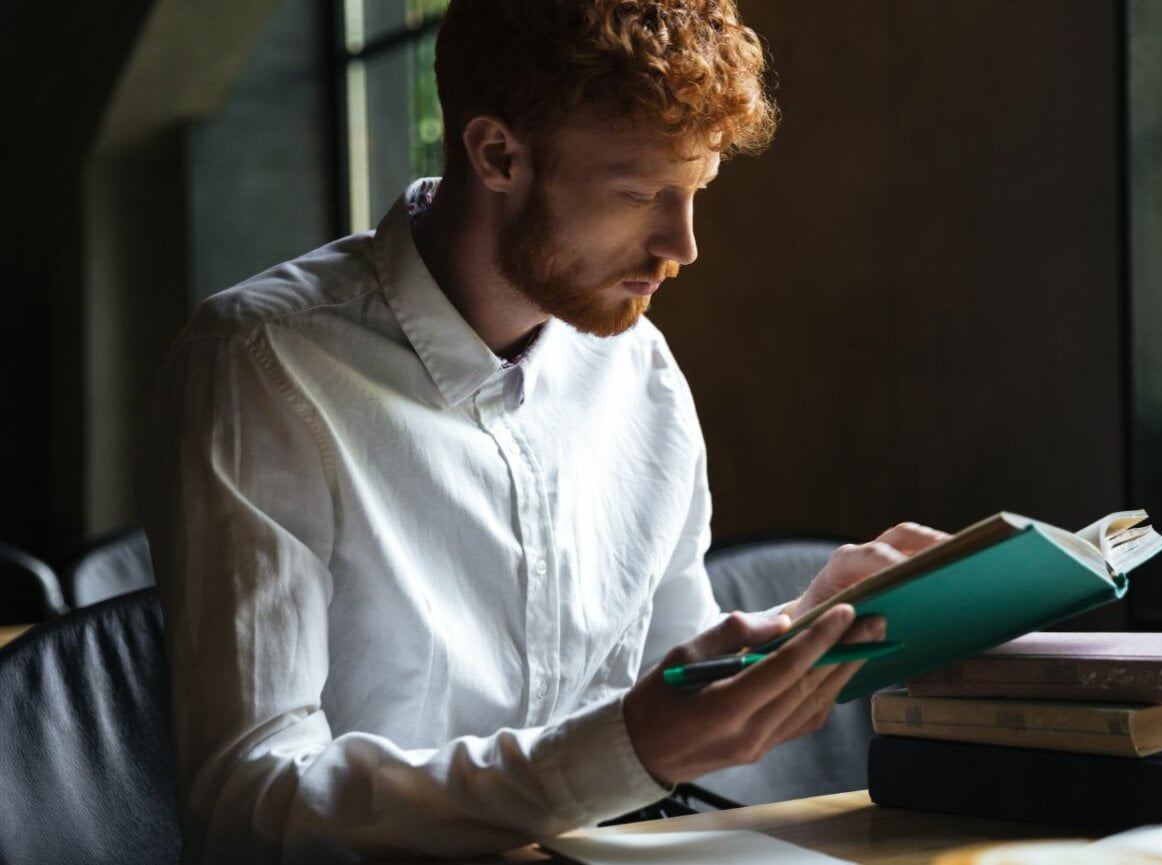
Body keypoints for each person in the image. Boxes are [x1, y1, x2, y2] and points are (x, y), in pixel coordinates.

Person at [138, 1, 947, 862]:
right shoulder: (261, 361)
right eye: (639, 194)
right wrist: (619, 753)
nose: (683, 244)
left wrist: (808, 627)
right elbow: (248, 801)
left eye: (697, 191)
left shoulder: (639, 368)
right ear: (497, 154)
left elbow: (665, 681)